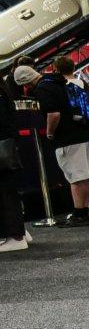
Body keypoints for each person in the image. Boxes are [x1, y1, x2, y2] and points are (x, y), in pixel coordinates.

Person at [29, 57, 89, 227]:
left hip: (68, 137)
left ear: (55, 68)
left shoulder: (52, 86)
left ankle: (79, 212)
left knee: (75, 178)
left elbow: (54, 114)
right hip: (85, 132)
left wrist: (49, 133)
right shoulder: (83, 85)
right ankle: (84, 212)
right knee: (84, 177)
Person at [0, 78, 27, 251]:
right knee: (8, 191)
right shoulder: (4, 92)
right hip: (7, 147)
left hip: (2, 148)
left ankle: (16, 235)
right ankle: (18, 232)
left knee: (6, 193)